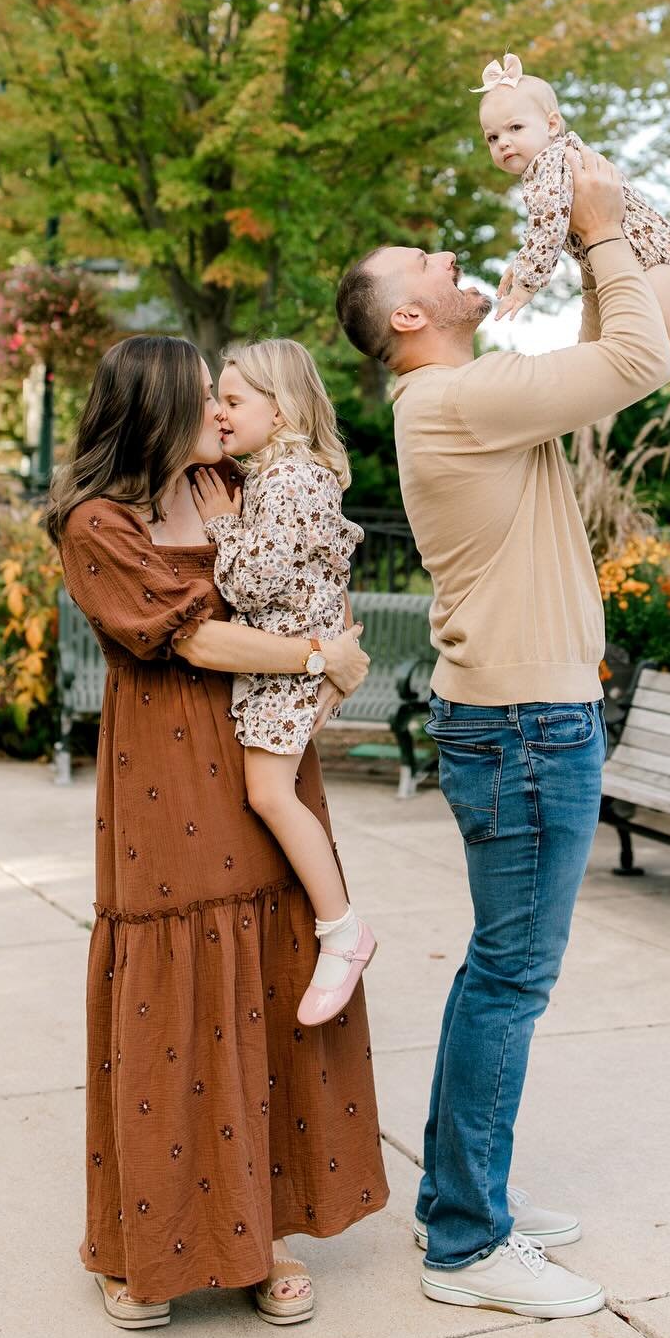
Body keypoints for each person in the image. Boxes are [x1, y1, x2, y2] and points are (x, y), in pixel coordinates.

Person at [335, 136, 670, 1319]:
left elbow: (593, 356)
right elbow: (637, 359)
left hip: (520, 720)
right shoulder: (456, 400)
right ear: (410, 314)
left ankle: (460, 1199)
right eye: (427, 259)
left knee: (497, 971)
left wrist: (593, 251)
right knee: (511, 979)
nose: (449, 255)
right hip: (528, 727)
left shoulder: (464, 401)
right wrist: (600, 230)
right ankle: (469, 1242)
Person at [47, 335, 389, 1331]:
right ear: (154, 409)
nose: (220, 409)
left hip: (261, 745)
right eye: (204, 395)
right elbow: (194, 637)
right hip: (165, 762)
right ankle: (138, 1244)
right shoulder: (96, 522)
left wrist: (326, 643)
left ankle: (261, 1231)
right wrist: (320, 653)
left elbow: (310, 563)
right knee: (173, 995)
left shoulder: (229, 482)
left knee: (267, 982)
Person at [190, 339, 377, 1027]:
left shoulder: (286, 481)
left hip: (288, 665)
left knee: (269, 794)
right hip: (292, 658)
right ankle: (339, 927)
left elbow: (251, 582)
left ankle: (342, 930)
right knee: (269, 792)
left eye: (234, 400)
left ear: (281, 408)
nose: (221, 412)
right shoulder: (287, 475)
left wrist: (220, 525)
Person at [474, 50, 670, 475]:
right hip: (655, 258)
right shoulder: (556, 161)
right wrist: (521, 261)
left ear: (551, 124)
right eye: (492, 138)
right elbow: (547, 228)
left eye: (515, 128)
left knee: (669, 344)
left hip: (652, 258)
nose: (504, 143)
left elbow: (548, 230)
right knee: (648, 343)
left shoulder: (550, 164)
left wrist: (526, 284)